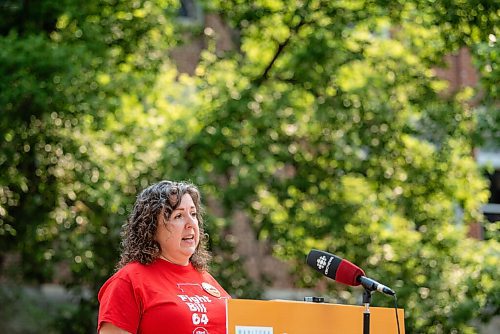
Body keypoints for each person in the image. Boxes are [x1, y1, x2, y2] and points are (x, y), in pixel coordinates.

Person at [97, 180, 231, 334]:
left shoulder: (206, 279)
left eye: (193, 214)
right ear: (152, 228)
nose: (190, 223)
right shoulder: (128, 281)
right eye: (178, 216)